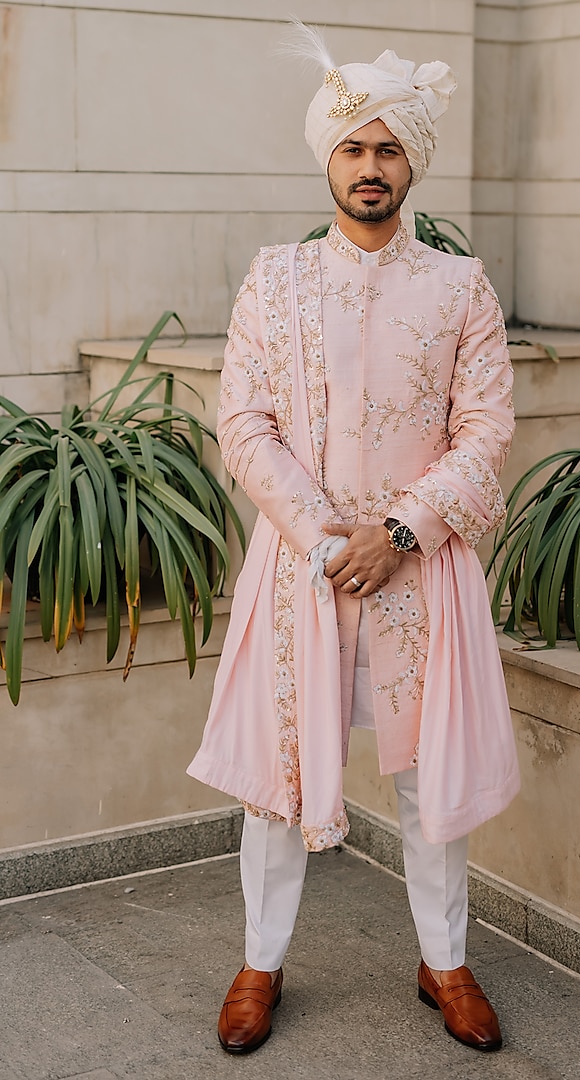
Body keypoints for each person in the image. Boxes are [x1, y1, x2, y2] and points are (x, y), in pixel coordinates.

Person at [187, 25, 520, 1056]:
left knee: (432, 782)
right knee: (276, 779)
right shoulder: (274, 278)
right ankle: (259, 962)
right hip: (302, 571)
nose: (369, 166)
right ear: (326, 157)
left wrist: (398, 533)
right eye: (351, 147)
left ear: (412, 159)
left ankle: (445, 961)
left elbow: (487, 431)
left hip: (420, 573)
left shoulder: (459, 288)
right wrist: (324, 536)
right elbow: (243, 420)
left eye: (386, 148)